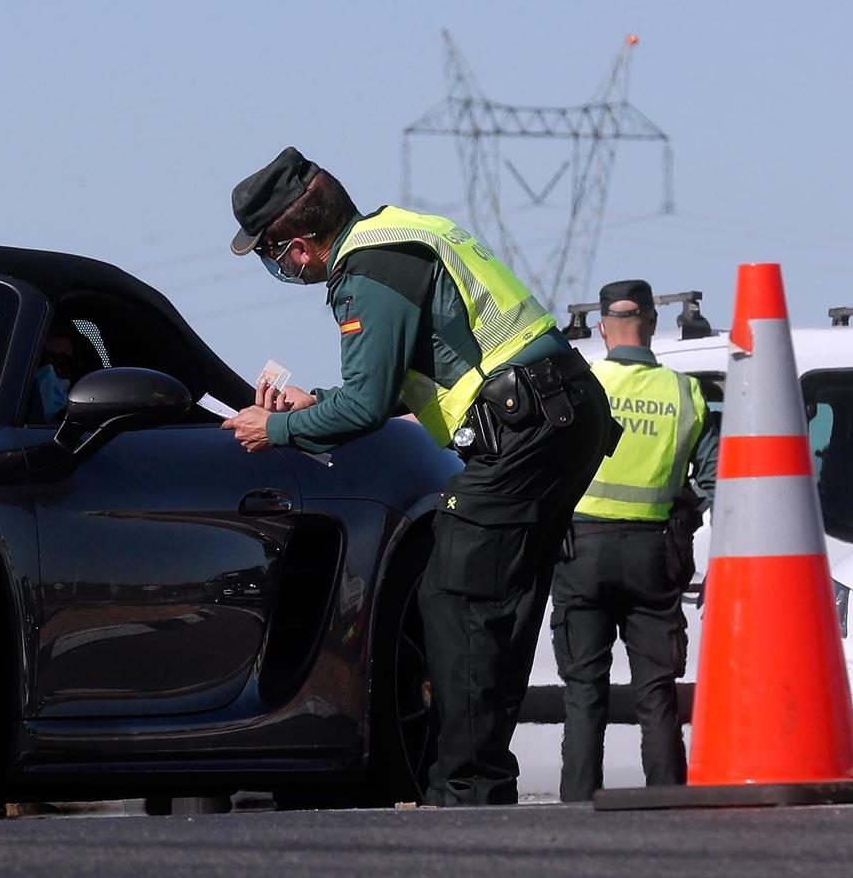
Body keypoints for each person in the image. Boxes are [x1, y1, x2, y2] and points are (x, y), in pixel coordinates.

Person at [220, 146, 613, 806]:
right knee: (494, 602)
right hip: (557, 413)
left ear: (294, 244)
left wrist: (276, 429)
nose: (276, 264)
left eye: (268, 249)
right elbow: (440, 364)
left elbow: (368, 406)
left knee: (456, 599)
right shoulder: (399, 233)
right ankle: (482, 778)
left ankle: (465, 789)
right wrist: (315, 402)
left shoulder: (364, 271)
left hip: (525, 426)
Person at [553, 280, 719, 801]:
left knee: (584, 692)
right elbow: (717, 482)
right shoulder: (684, 393)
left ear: (602, 328)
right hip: (655, 557)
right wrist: (686, 516)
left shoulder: (579, 385)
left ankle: (580, 807)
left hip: (581, 555)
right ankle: (668, 804)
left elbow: (541, 469)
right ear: (651, 324)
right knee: (656, 694)